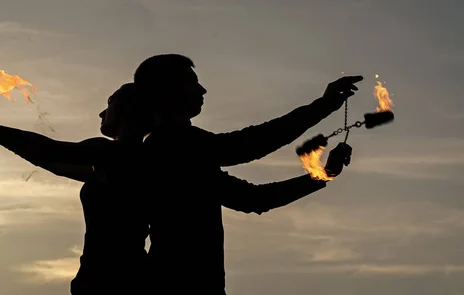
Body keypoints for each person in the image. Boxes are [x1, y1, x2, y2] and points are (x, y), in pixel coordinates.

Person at [132, 53, 360, 295]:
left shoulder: (174, 147)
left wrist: (324, 173)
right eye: (192, 82)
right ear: (167, 89)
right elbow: (249, 147)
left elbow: (253, 198)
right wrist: (322, 107)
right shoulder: (172, 144)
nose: (202, 89)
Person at [0, 83, 153, 295]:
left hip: (113, 282)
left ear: (127, 110)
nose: (101, 113)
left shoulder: (117, 154)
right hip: (114, 279)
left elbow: (48, 151)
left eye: (110, 104)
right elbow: (50, 162)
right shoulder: (120, 164)